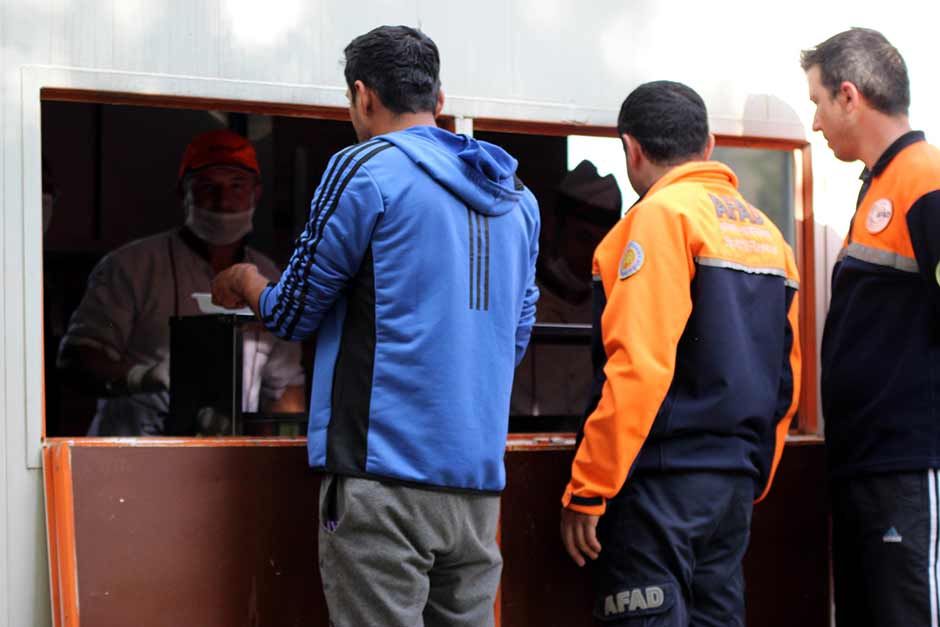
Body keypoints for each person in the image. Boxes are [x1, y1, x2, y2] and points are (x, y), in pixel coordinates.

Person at [210, 25, 540, 627]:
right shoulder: (517, 197)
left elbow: (292, 311)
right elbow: (512, 340)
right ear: (438, 100)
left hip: (381, 477)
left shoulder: (364, 168)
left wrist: (246, 282)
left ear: (362, 97)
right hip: (477, 486)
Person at [559, 81, 801, 625]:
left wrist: (589, 488)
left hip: (659, 489)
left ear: (632, 150)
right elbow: (787, 379)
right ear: (708, 145)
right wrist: (753, 473)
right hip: (732, 489)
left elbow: (638, 366)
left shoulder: (657, 219)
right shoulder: (770, 236)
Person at [801, 28, 940, 626]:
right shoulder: (881, 184)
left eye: (817, 102)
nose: (815, 123)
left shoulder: (925, 179)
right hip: (868, 464)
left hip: (907, 462)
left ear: (849, 96)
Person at [58, 129, 306, 436]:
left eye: (237, 185)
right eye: (207, 186)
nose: (223, 200)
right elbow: (76, 360)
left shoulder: (271, 279)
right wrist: (142, 377)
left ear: (256, 193)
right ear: (183, 192)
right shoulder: (131, 266)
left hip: (229, 458)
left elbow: (286, 388)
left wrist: (275, 447)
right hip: (135, 452)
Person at [510, 160, 621, 420]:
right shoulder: (519, 299)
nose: (592, 253)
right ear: (554, 228)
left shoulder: (611, 306)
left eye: (602, 242)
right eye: (583, 238)